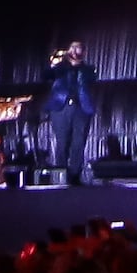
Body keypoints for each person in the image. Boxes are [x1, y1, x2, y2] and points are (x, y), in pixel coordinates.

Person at [43, 40, 99, 186]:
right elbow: (46, 75)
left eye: (78, 47)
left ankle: (74, 176)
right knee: (62, 142)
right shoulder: (59, 68)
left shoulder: (88, 69)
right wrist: (54, 64)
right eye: (72, 47)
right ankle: (61, 175)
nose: (74, 50)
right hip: (61, 108)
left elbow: (91, 79)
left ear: (83, 52)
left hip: (81, 109)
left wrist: (76, 67)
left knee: (78, 143)